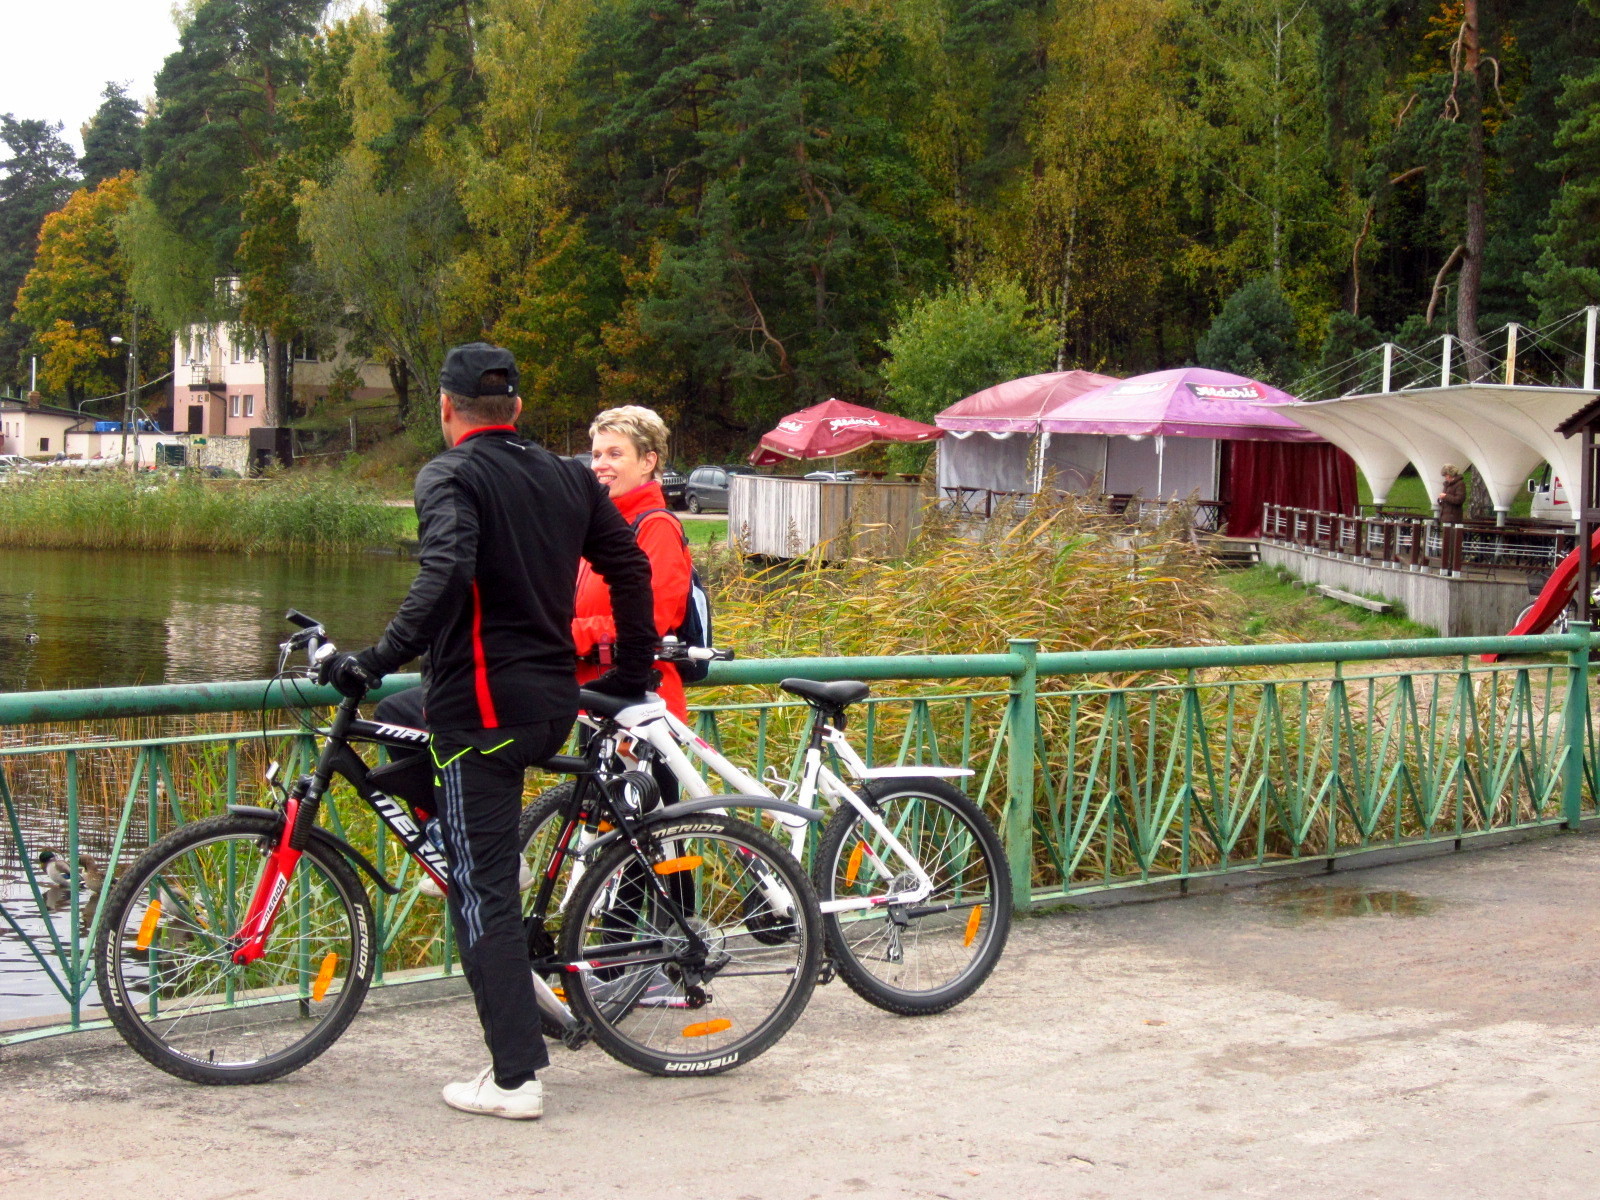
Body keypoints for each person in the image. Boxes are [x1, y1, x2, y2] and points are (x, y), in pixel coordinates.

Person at [320, 343, 656, 1121]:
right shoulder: (569, 476)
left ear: (446, 408)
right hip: (547, 707)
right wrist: (630, 675)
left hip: (484, 718)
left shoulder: (451, 474)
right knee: (399, 721)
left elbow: (445, 574)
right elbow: (630, 569)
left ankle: (515, 1080)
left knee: (481, 895)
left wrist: (372, 660)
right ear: (517, 409)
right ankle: (459, 838)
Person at [573, 406, 694, 727]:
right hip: (596, 699)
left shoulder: (656, 527)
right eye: (596, 455)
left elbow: (649, 621)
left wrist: (566, 634)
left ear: (647, 461)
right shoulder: (601, 527)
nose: (600, 464)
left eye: (615, 454)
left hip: (643, 703)